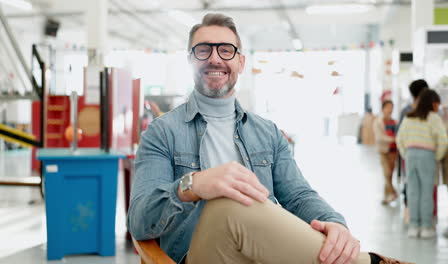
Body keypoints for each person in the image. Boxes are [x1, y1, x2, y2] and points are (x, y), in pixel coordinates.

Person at [127, 13, 413, 264]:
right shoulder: (161, 133)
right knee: (228, 204)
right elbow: (139, 219)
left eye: (226, 50)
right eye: (203, 50)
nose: (215, 58)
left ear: (240, 61)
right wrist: (195, 185)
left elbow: (299, 196)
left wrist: (335, 224)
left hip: (263, 255)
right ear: (191, 60)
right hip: (202, 255)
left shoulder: (266, 132)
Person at [396, 89, 448, 239]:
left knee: (412, 191)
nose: (438, 107)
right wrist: (436, 157)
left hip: (410, 155)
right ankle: (425, 227)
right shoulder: (434, 118)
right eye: (437, 104)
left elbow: (399, 138)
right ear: (432, 103)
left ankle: (413, 226)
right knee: (426, 192)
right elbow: (443, 141)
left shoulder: (408, 117)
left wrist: (406, 154)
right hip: (428, 156)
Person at [373, 100, 398, 204]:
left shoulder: (395, 122)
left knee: (390, 174)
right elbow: (379, 137)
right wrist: (393, 139)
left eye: (391, 107)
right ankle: (393, 192)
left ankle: (386, 196)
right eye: (387, 107)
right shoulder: (378, 122)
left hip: (393, 151)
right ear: (383, 109)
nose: (390, 110)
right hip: (383, 151)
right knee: (387, 172)